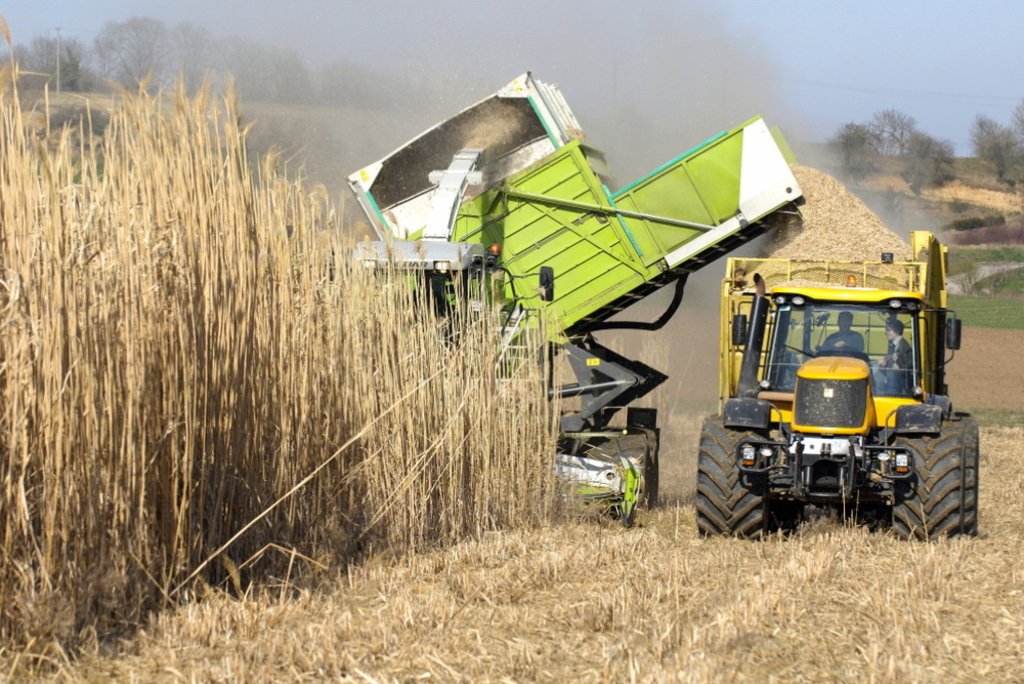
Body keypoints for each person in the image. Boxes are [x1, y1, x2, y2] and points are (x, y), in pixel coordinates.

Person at [878, 318, 913, 393]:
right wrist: (884, 361)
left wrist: (894, 372)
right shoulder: (893, 345)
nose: (886, 332)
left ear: (897, 331)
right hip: (892, 380)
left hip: (897, 383)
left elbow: (908, 367)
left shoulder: (903, 346)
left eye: (888, 330)